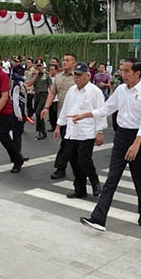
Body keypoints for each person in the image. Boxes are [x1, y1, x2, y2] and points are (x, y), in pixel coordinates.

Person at [75, 58, 141, 232]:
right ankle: (98, 218)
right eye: (121, 70)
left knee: (140, 179)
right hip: (121, 137)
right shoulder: (120, 90)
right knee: (112, 178)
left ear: (137, 73)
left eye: (126, 71)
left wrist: (137, 143)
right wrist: (85, 115)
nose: (122, 74)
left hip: (138, 139)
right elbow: (106, 108)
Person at [55, 62, 106, 199]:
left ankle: (95, 182)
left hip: (87, 132)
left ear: (87, 76)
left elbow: (101, 112)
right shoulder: (72, 90)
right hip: (72, 132)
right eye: (75, 75)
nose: (76, 78)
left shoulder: (95, 91)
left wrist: (100, 131)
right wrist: (59, 125)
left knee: (84, 160)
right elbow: (65, 109)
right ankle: (80, 188)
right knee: (74, 162)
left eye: (79, 75)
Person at [41, 53, 77, 179]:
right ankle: (64, 168)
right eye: (63, 59)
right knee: (66, 142)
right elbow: (52, 93)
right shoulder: (58, 77)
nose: (64, 62)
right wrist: (46, 107)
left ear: (74, 63)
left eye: (68, 60)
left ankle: (62, 167)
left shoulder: (78, 77)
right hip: (62, 115)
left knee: (69, 144)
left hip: (77, 117)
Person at [26, 60, 51, 140]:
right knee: (38, 114)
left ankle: (41, 132)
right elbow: (29, 84)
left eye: (40, 66)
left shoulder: (46, 76)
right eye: (37, 66)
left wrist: (51, 98)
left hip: (44, 95)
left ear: (43, 67)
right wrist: (35, 76)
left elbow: (51, 87)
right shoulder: (34, 75)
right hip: (37, 94)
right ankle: (41, 131)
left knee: (38, 112)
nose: (39, 67)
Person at [10, 64, 29, 162]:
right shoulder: (16, 84)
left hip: (21, 111)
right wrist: (18, 114)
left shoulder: (20, 83)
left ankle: (17, 154)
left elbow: (24, 100)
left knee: (18, 134)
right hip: (17, 112)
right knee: (16, 135)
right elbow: (15, 100)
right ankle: (16, 155)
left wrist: (25, 112)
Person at [47, 64, 59, 132]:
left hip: (57, 98)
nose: (51, 71)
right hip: (50, 98)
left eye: (52, 69)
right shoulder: (48, 78)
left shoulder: (58, 78)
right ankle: (53, 126)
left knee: (55, 112)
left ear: (56, 70)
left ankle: (57, 126)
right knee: (51, 113)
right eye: (50, 69)